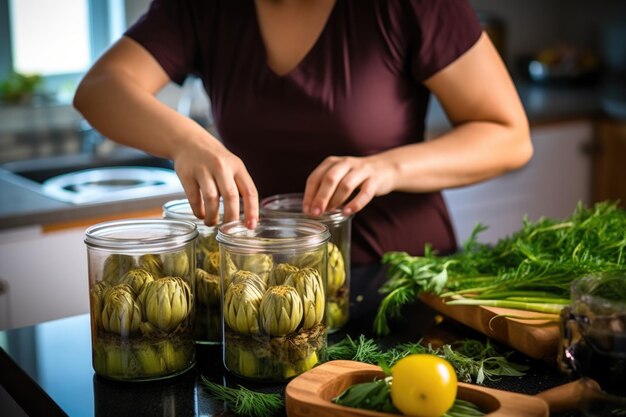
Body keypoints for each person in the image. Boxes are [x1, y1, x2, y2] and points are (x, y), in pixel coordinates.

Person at [74, 0, 532, 266]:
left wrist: (386, 168)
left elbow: (508, 135)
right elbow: (99, 89)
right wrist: (186, 140)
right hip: (271, 294)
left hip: (401, 277)